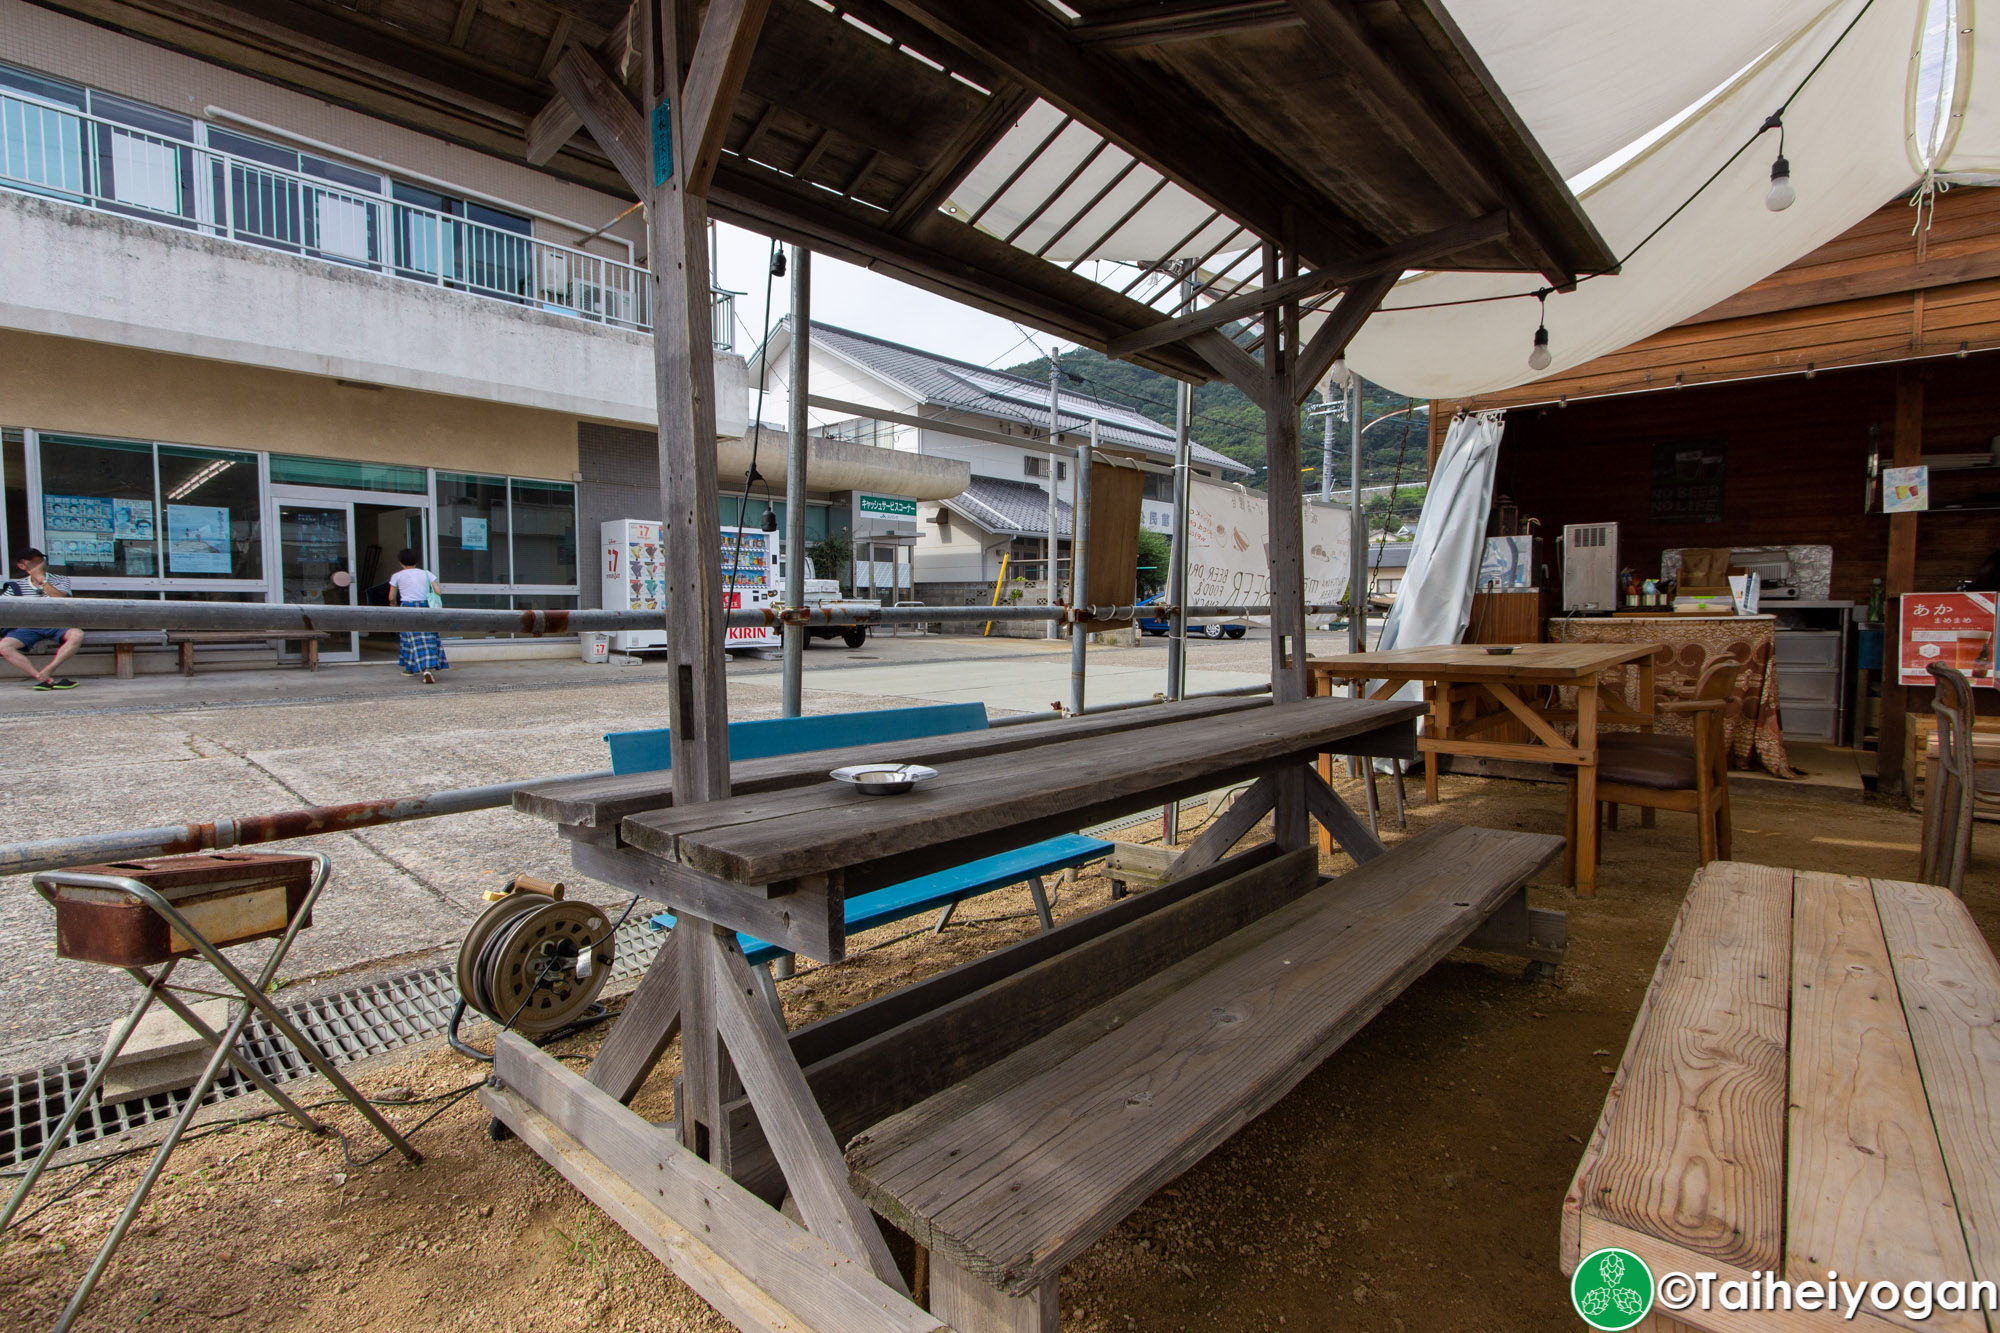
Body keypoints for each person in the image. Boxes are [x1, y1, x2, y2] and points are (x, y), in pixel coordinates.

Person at [1, 548, 83, 690]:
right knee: (4, 647)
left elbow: (59, 599)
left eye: (40, 560)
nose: (38, 564)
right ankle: (41, 677)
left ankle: (48, 670)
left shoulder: (60, 580)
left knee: (77, 634)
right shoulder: (16, 586)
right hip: (28, 626)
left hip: (57, 623)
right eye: (33, 561)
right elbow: (4, 608)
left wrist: (42, 579)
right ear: (22, 565)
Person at [386, 547, 448, 684]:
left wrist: (394, 605)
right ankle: (421, 668)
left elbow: (391, 597)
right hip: (426, 607)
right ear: (416, 561)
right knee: (427, 637)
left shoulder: (397, 576)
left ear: (400, 562)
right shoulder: (427, 574)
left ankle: (417, 669)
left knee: (409, 638)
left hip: (407, 608)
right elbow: (438, 592)